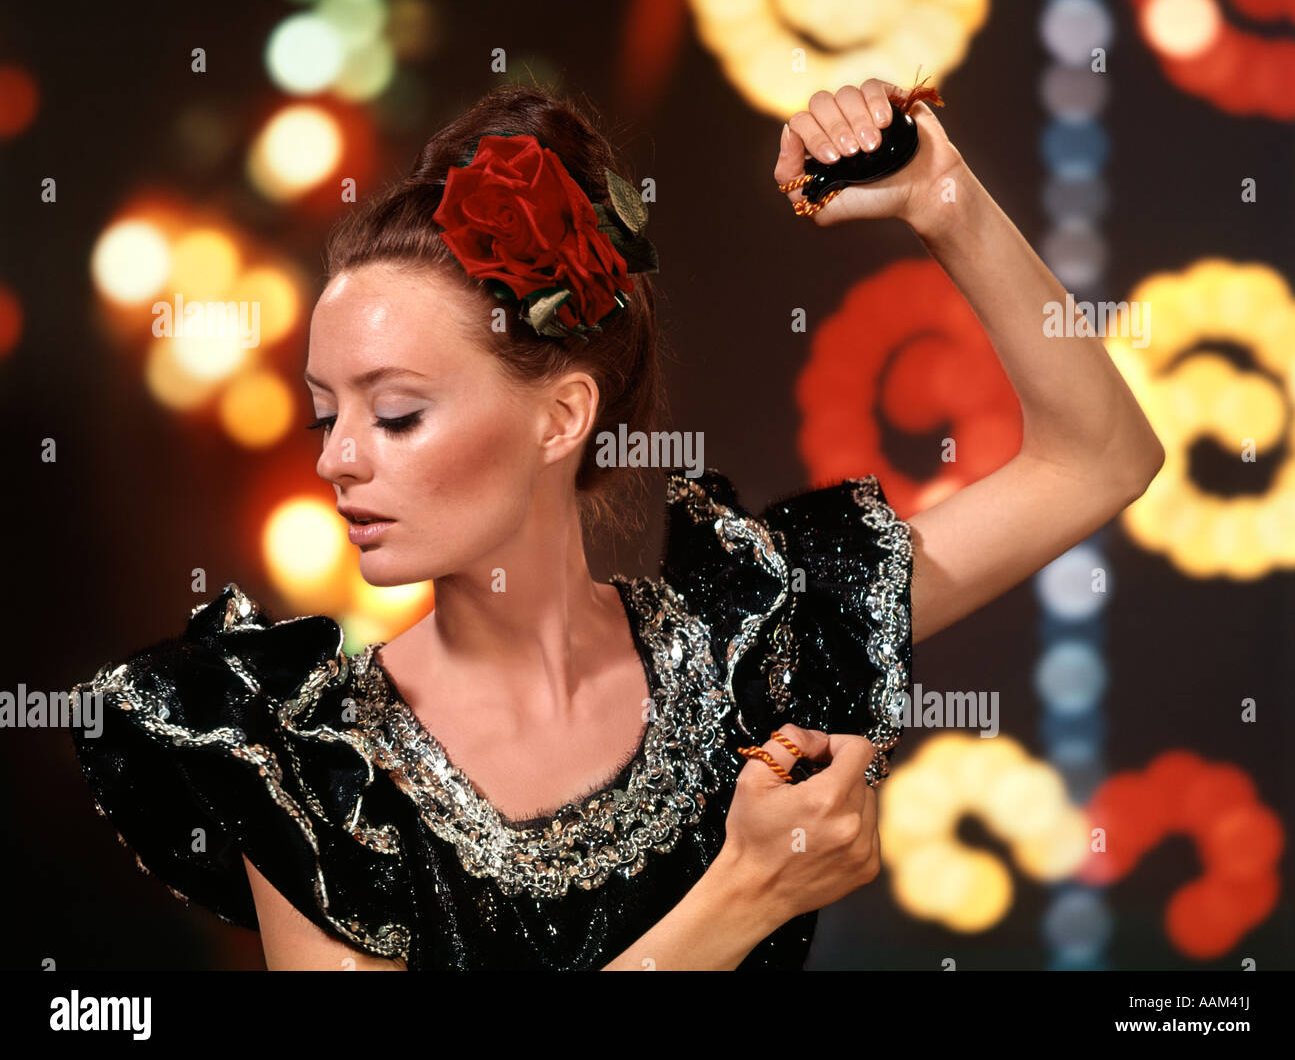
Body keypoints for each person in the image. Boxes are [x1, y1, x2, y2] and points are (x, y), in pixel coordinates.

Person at [68, 77, 1164, 971]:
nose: (336, 456)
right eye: (325, 413)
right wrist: (741, 898)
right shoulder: (307, 768)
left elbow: (1099, 456)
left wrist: (943, 198)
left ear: (562, 416)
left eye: (394, 413)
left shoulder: (752, 637)